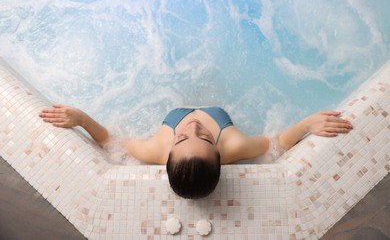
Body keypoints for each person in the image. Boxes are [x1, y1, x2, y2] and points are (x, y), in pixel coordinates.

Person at [39, 104, 353, 199]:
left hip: (169, 113)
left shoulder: (157, 149)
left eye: (187, 138)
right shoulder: (233, 146)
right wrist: (307, 123)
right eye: (200, 137)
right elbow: (277, 143)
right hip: (219, 111)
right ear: (218, 154)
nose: (190, 126)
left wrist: (81, 120)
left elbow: (111, 141)